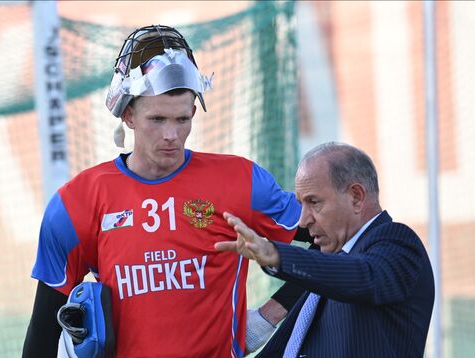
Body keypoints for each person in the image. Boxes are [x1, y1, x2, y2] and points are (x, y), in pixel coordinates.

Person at [22, 24, 307, 358]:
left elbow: (332, 237)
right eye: (157, 119)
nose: (172, 135)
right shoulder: (76, 203)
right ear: (128, 114)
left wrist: (265, 318)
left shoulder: (240, 181)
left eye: (182, 119)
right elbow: (44, 327)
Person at [216, 142, 435, 357]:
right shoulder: (330, 263)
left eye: (314, 202)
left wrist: (276, 255)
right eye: (302, 204)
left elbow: (362, 275)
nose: (302, 221)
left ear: (356, 197)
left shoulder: (398, 242)